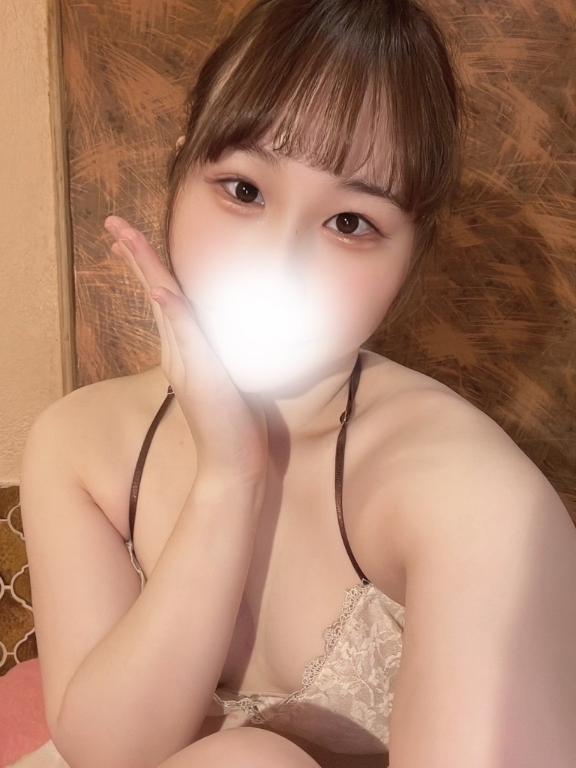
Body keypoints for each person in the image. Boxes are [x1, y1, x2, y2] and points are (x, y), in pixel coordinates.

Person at [16, 1, 576, 767]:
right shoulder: (80, 443)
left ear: (411, 259)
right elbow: (109, 754)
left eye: (350, 223)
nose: (277, 263)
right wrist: (230, 477)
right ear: (179, 174)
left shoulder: (470, 495)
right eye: (244, 190)